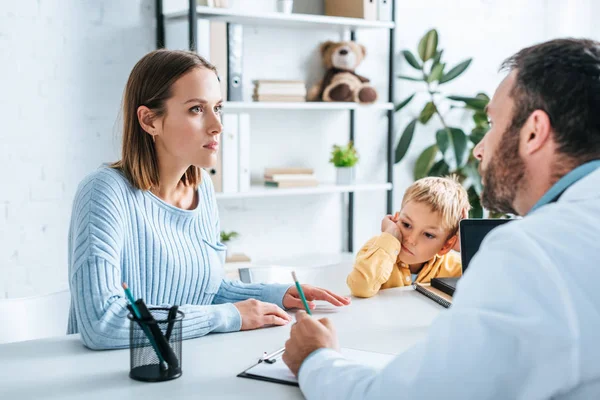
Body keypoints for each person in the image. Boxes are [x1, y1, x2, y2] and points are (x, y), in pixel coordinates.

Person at [283, 38, 600, 399]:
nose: (479, 149)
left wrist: (315, 359)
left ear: (533, 133)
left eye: (492, 124)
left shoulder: (533, 253)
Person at [67, 49, 350, 350]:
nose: (217, 125)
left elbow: (205, 289)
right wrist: (228, 316)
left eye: (218, 107)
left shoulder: (202, 190)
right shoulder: (103, 192)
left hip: (179, 364)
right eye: (196, 110)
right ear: (149, 120)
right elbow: (103, 323)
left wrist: (276, 295)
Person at [347, 176, 470, 298]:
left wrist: (466, 248)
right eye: (406, 224)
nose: (410, 239)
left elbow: (484, 291)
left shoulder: (455, 267)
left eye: (428, 234)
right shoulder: (377, 248)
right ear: (396, 218)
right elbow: (360, 288)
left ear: (446, 245)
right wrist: (390, 235)